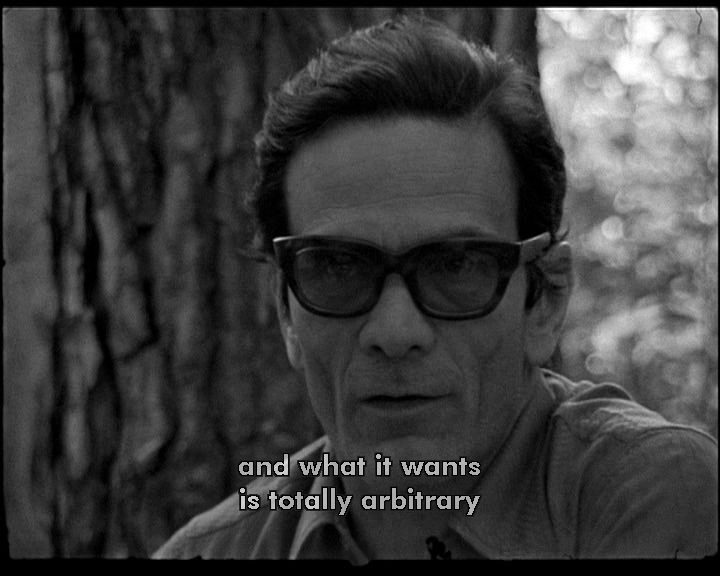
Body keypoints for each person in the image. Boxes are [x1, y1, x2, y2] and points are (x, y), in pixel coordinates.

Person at [154, 15, 718, 560]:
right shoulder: (210, 550)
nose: (395, 332)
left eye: (456, 266)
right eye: (339, 268)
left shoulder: (654, 497)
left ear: (544, 300)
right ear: (285, 313)